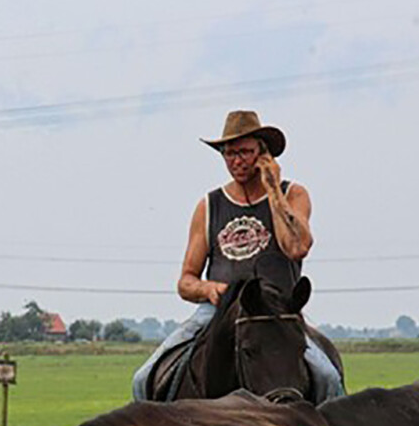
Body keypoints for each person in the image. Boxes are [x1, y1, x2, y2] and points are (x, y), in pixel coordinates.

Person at [132, 110, 344, 401]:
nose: (236, 161)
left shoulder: (293, 194)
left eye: (245, 152)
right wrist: (209, 289)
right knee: (143, 378)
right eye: (229, 153)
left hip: (278, 311)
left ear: (263, 154)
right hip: (218, 310)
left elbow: (296, 247)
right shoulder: (209, 206)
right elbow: (186, 281)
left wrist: (272, 189)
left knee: (328, 378)